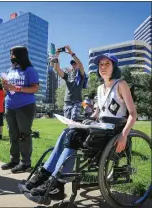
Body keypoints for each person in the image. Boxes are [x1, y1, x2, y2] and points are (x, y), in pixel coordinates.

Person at [24, 53, 137, 197]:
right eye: (100, 64)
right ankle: (45, 174)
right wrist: (79, 122)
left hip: (113, 131)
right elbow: (97, 114)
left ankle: (58, 183)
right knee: (68, 131)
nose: (103, 67)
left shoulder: (121, 84)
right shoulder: (99, 88)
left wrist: (123, 135)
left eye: (107, 64)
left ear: (114, 66)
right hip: (100, 128)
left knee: (72, 135)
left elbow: (133, 114)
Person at [1, 46, 39, 174]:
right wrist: (6, 86)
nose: (11, 57)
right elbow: (8, 88)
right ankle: (14, 160)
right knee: (13, 135)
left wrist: (17, 88)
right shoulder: (10, 70)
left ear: (20, 55)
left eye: (13, 54)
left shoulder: (30, 70)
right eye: (10, 54)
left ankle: (26, 163)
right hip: (9, 106)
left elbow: (35, 88)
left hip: (25, 106)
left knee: (24, 135)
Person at [51, 46, 87, 121]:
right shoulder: (68, 75)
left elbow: (80, 65)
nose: (74, 65)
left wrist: (71, 53)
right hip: (67, 101)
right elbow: (57, 69)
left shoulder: (81, 75)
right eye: (72, 64)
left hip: (77, 101)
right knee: (67, 121)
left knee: (74, 118)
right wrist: (56, 56)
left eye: (75, 64)